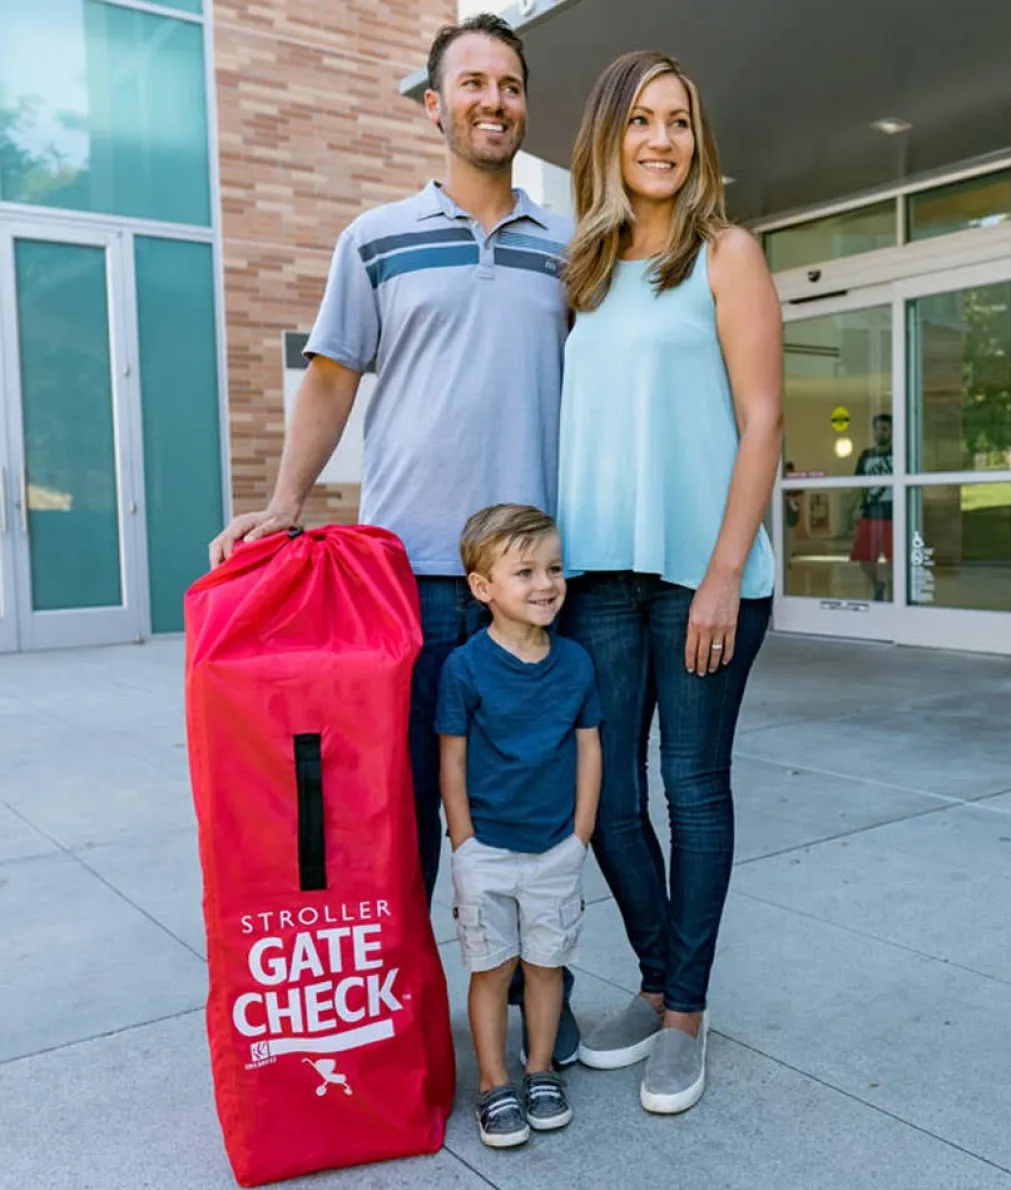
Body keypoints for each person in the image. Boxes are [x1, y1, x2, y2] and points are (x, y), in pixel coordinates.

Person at [206, 13, 582, 1065]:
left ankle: (530, 1002)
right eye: (472, 84)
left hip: (532, 585)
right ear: (435, 104)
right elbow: (331, 376)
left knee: (533, 801)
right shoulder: (373, 237)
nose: (492, 101)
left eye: (508, 84)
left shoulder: (567, 244)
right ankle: (403, 1018)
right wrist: (285, 502)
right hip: (406, 582)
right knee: (406, 816)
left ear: (523, 105)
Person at [555, 51, 783, 1114]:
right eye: (641, 120)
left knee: (692, 788)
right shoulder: (584, 271)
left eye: (678, 121)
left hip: (704, 574)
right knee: (603, 801)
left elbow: (763, 419)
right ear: (608, 137)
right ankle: (657, 975)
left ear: (697, 142)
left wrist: (721, 573)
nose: (660, 139)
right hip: (597, 575)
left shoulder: (725, 253)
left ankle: (683, 1011)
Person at [436, 505, 601, 1148]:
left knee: (545, 967)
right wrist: (464, 841)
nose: (545, 584)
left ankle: (539, 1072)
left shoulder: (577, 663)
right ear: (483, 588)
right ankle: (493, 1083)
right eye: (525, 571)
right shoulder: (465, 668)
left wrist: (580, 833)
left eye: (554, 568)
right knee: (489, 969)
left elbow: (589, 747)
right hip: (487, 852)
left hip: (556, 847)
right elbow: (452, 756)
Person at [850, 412, 893, 601]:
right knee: (864, 558)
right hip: (870, 513)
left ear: (892, 431)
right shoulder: (866, 456)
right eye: (876, 429)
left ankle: (895, 598)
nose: (880, 433)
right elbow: (858, 483)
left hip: (893, 514)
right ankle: (878, 584)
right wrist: (855, 507)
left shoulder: (899, 454)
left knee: (895, 559)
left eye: (884, 429)